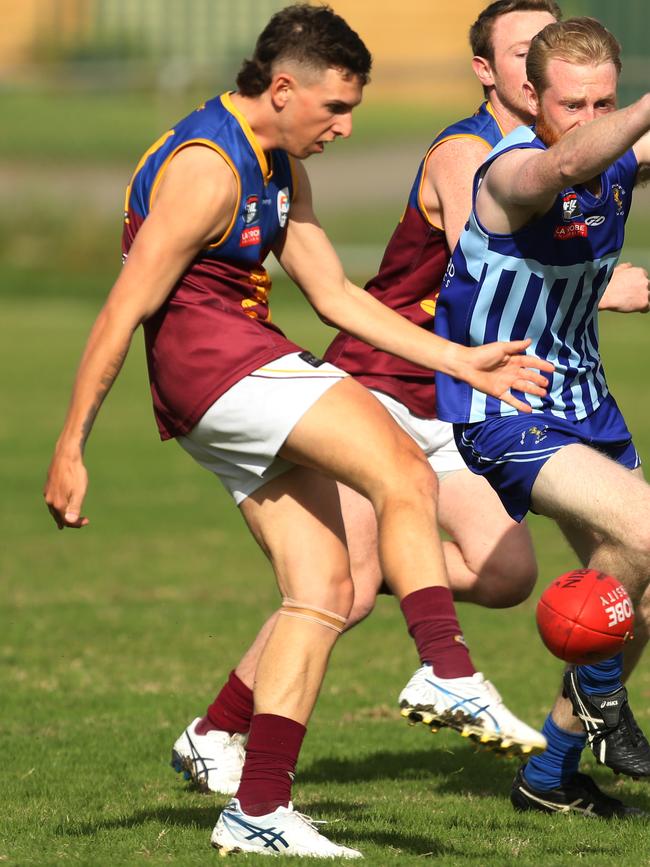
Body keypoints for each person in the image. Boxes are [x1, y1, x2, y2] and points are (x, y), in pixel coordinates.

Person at [43, 3, 555, 858]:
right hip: (222, 367)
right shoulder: (209, 169)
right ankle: (447, 668)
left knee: (321, 591)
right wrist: (70, 446)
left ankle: (257, 805)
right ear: (282, 88)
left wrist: (463, 363)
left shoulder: (279, 159)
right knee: (402, 467)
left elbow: (339, 298)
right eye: (334, 108)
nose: (346, 127)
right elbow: (121, 310)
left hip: (224, 377)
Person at [170, 0, 649, 819]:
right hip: (394, 385)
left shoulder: (587, 143)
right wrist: (602, 279)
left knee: (506, 574)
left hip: (471, 390)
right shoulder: (471, 153)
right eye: (529, 51)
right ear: (502, 76)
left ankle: (555, 765)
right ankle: (217, 736)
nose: (563, 76)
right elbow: (494, 242)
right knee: (340, 588)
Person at [433, 16, 650, 820]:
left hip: (587, 401)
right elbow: (565, 163)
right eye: (573, 103)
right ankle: (605, 710)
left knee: (640, 600)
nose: (590, 118)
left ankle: (550, 774)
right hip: (503, 403)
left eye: (606, 101)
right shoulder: (511, 168)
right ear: (535, 99)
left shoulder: (617, 153)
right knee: (647, 532)